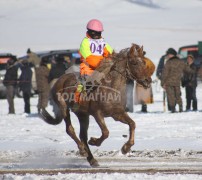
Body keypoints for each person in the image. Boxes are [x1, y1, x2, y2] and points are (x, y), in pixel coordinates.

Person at [75, 19, 113, 103]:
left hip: (102, 68)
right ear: (90, 31)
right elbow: (89, 58)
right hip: (88, 69)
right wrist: (102, 64)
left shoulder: (103, 42)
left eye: (99, 33)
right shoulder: (85, 42)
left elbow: (110, 53)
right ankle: (78, 100)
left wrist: (111, 60)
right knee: (83, 84)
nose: (96, 35)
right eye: (95, 33)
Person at [161, 48, 193, 113]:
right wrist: (194, 72)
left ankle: (173, 109)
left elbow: (165, 73)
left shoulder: (168, 62)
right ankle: (180, 107)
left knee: (171, 96)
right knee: (178, 95)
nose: (168, 56)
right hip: (177, 82)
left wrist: (162, 83)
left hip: (169, 82)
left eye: (168, 54)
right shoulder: (181, 62)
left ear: (171, 55)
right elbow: (188, 70)